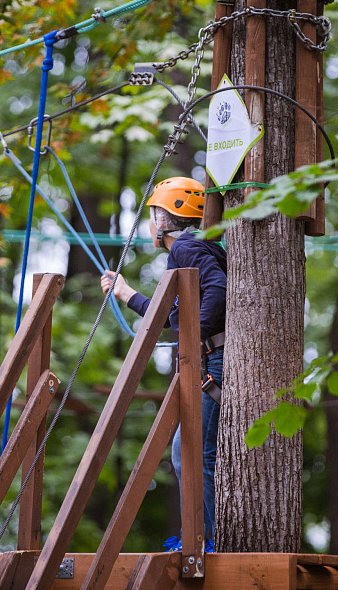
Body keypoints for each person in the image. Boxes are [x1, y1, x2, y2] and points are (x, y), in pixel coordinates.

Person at [100, 176, 226, 553]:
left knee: (189, 451)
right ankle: (207, 535)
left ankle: (209, 539)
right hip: (212, 357)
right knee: (191, 451)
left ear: (167, 218)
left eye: (155, 214)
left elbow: (218, 289)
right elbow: (171, 317)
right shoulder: (196, 247)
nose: (152, 223)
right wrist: (127, 295)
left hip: (212, 359)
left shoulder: (184, 248)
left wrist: (193, 337)